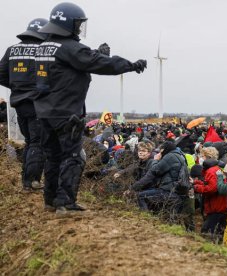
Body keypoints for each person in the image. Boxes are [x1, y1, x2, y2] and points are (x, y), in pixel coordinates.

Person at [35, 2, 147, 215]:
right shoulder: (69, 47)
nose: (79, 29)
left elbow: (74, 63)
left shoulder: (45, 47)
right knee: (74, 156)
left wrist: (96, 54)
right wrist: (130, 65)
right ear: (68, 24)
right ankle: (65, 203)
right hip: (66, 113)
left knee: (53, 156)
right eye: (77, 25)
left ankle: (50, 200)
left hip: (44, 111)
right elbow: (96, 63)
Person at [0, 18, 49, 190]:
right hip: (38, 104)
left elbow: (1, 75)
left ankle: (27, 180)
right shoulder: (44, 51)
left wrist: (17, 87)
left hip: (19, 104)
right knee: (38, 142)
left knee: (30, 141)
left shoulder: (11, 50)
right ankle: (32, 181)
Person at [192, 147, 227, 239]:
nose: (200, 158)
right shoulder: (214, 169)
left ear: (208, 157)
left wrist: (196, 187)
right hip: (217, 205)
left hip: (216, 206)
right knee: (216, 231)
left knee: (208, 232)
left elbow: (212, 188)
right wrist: (196, 182)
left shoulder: (211, 171)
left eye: (202, 156)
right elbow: (208, 183)